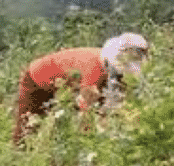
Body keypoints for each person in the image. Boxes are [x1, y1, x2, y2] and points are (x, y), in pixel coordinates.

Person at [12, 32, 150, 146]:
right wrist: (92, 144)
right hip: (38, 79)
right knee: (27, 128)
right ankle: (16, 160)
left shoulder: (113, 71)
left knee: (62, 127)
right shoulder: (93, 70)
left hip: (67, 83)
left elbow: (120, 102)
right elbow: (86, 112)